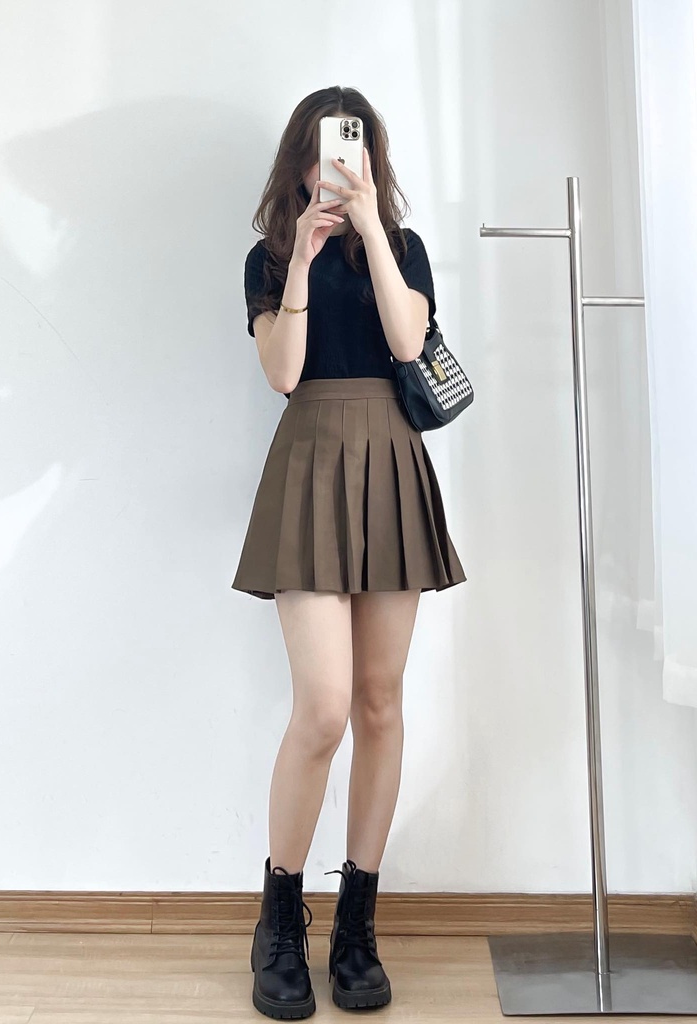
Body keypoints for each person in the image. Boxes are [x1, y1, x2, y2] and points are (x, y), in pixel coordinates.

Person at [232, 87, 467, 1019]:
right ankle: (280, 922)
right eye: (319, 150)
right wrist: (301, 259)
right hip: (311, 467)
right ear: (297, 162)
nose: (330, 165)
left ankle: (358, 924)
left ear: (371, 159)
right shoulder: (267, 258)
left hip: (391, 466)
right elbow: (283, 372)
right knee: (324, 708)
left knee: (378, 702)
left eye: (349, 149)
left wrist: (369, 228)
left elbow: (408, 342)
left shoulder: (402, 249)